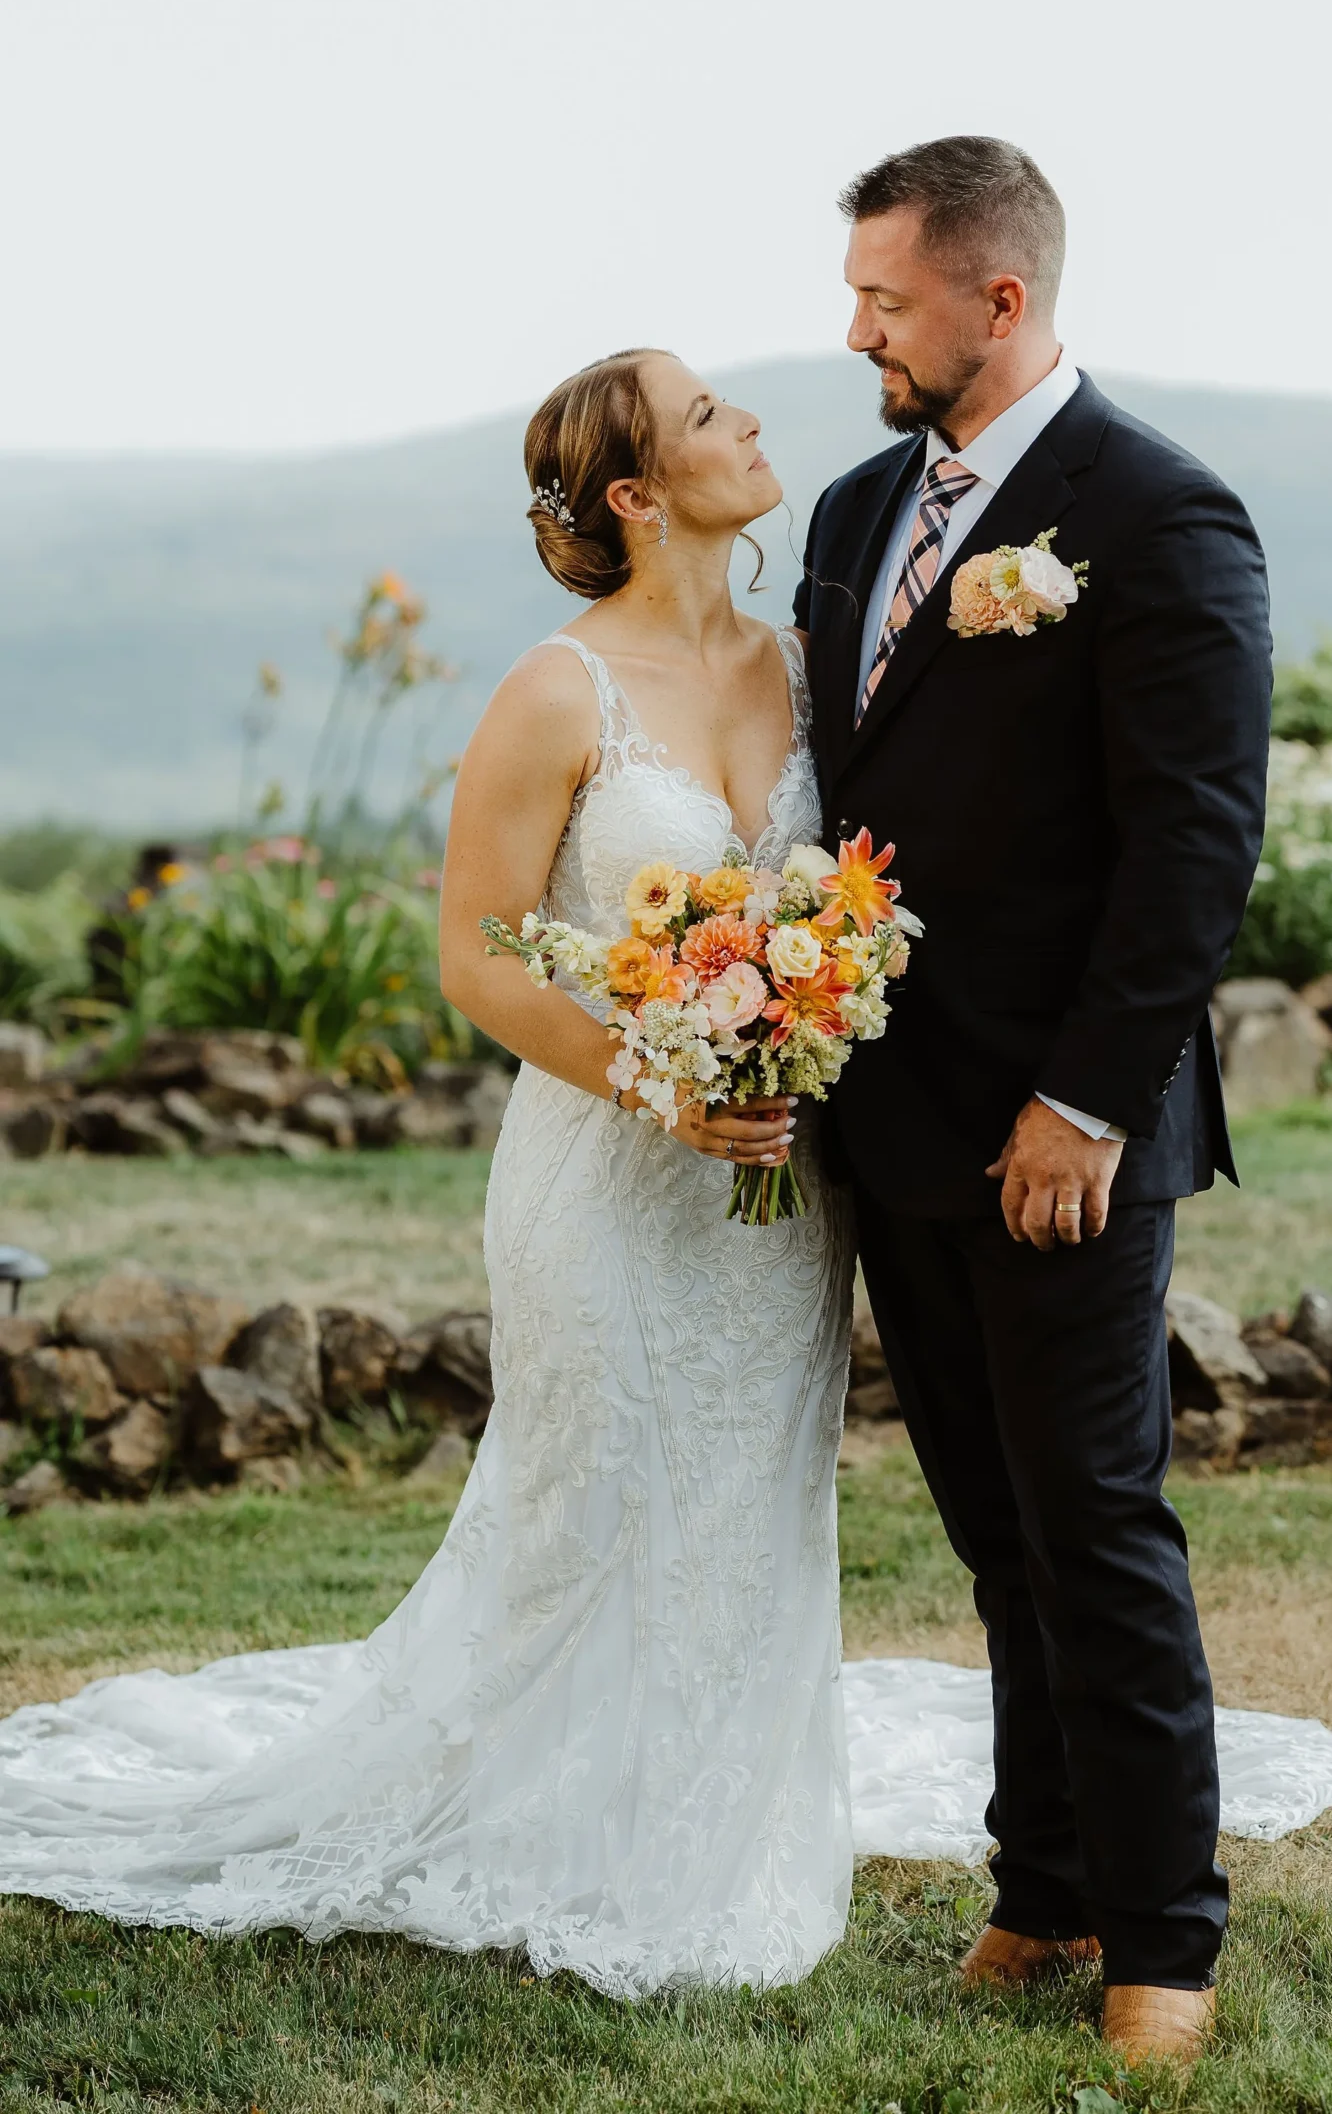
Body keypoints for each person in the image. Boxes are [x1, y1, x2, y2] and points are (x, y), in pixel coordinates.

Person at [0, 351, 857, 1994]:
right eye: (705, 416)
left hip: (777, 1195)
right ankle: (544, 1824)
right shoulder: (557, 690)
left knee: (746, 1501)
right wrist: (660, 1084)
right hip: (603, 1170)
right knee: (589, 1495)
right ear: (636, 494)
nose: (748, 421)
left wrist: (797, 1030)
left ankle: (708, 1825)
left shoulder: (809, 668)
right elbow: (477, 956)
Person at [792, 136, 1272, 2069]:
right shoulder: (855, 510)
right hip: (893, 1119)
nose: (856, 333)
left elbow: (1193, 844)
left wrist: (1082, 1100)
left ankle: (1164, 1938)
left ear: (998, 299)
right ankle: (1044, 1882)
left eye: (884, 300)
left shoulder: (1157, 514)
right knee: (996, 1535)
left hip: (1067, 1131)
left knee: (1095, 1528)